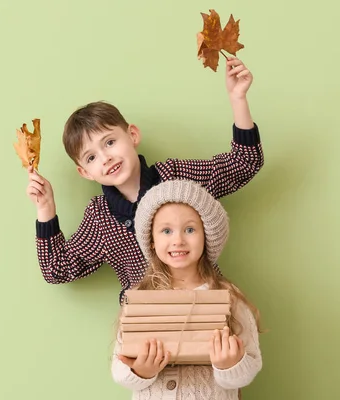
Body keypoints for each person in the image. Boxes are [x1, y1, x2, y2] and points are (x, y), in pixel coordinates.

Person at [26, 57, 263, 302]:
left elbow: (244, 163)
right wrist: (45, 208)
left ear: (132, 135)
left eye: (110, 142)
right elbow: (57, 269)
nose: (106, 158)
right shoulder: (100, 217)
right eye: (92, 157)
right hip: (144, 322)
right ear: (85, 172)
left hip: (203, 305)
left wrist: (238, 99)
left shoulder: (176, 179)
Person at [111, 179, 262, 399]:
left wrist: (230, 365)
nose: (178, 240)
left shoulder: (229, 298)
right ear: (152, 240)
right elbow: (119, 367)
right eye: (166, 231)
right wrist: (141, 372)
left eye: (190, 229)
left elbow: (251, 364)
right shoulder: (139, 299)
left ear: (206, 236)